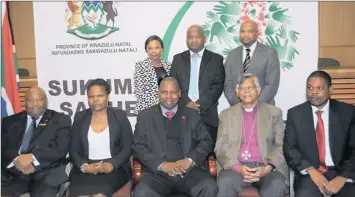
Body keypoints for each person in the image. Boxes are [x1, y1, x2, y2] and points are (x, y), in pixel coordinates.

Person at [132, 77, 217, 197]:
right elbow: (138, 146)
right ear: (158, 93)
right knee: (142, 192)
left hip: (189, 172)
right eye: (164, 92)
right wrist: (162, 165)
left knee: (209, 187)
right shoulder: (145, 116)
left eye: (173, 92)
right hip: (158, 174)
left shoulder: (192, 115)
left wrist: (190, 161)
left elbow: (207, 141)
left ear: (179, 94)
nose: (168, 96)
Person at [283, 70, 355, 197]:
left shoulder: (347, 112)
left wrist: (343, 177)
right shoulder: (295, 114)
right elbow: (290, 148)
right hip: (310, 174)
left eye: (319, 88)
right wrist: (311, 170)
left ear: (330, 89)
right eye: (310, 88)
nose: (314, 92)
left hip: (341, 172)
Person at [215, 73, 288, 197]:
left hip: (266, 166)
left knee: (277, 185)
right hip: (236, 167)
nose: (246, 91)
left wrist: (268, 168)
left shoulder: (274, 113)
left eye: (250, 87)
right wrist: (239, 168)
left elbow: (281, 145)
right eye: (242, 88)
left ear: (258, 90)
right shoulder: (226, 115)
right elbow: (220, 148)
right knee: (224, 182)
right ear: (237, 92)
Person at [1, 87, 71, 197]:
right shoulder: (9, 122)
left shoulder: (60, 120)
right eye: (30, 100)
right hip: (14, 174)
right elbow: (3, 149)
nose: (34, 103)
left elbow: (60, 148)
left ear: (46, 101)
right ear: (24, 102)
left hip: (47, 174)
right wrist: (18, 161)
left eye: (39, 99)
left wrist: (32, 157)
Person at [69, 78, 133, 197]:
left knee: (99, 195)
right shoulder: (80, 117)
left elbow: (128, 147)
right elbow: (73, 149)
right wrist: (84, 167)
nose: (95, 100)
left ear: (107, 96)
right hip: (86, 170)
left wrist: (111, 164)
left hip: (114, 170)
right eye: (91, 96)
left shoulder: (120, 116)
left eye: (100, 95)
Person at [170, 24, 225, 144]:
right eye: (190, 37)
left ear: (204, 39)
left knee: (207, 154)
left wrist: (199, 104)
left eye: (197, 36)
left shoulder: (216, 59)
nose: (193, 40)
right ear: (186, 39)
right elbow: (173, 85)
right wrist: (187, 103)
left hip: (208, 116)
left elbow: (217, 86)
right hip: (182, 115)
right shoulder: (178, 59)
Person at [224, 19, 280, 106]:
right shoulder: (232, 55)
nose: (245, 34)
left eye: (250, 31)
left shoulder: (269, 53)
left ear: (257, 33)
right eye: (242, 31)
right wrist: (238, 104)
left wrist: (254, 105)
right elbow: (228, 83)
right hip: (237, 110)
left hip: (263, 109)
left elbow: (271, 84)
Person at [133, 35, 171, 115]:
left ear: (162, 50)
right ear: (146, 51)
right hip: (147, 111)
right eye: (150, 48)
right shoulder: (140, 66)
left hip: (167, 109)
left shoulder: (169, 66)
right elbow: (139, 92)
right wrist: (161, 102)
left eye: (157, 47)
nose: (153, 51)